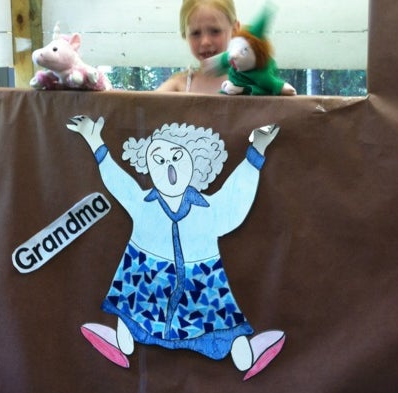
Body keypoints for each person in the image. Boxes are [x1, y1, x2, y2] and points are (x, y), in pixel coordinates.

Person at [66, 115, 286, 380]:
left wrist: (257, 150)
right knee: (131, 312)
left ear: (196, 161)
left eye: (177, 157)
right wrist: (94, 140)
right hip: (148, 280)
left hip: (200, 286)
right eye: (158, 160)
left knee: (221, 327)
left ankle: (246, 356)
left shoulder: (209, 209)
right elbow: (117, 181)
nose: (168, 166)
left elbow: (235, 199)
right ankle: (121, 342)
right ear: (148, 167)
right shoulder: (142, 203)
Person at [156, 0, 240, 94]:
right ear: (184, 34)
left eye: (215, 31)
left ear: (235, 30)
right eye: (195, 33)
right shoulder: (178, 86)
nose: (205, 42)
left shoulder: (248, 83)